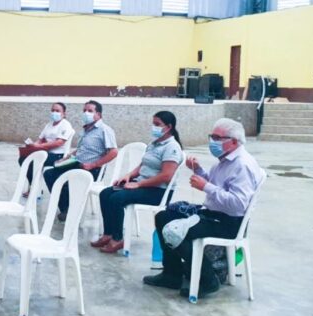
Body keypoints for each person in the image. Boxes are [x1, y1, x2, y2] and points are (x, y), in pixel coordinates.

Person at [143, 117, 264, 298]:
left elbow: (238, 203)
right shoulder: (224, 159)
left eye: (217, 138)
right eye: (212, 136)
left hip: (229, 222)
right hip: (213, 214)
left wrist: (205, 187)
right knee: (163, 217)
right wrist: (198, 170)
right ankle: (172, 274)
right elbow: (216, 184)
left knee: (176, 231)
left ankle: (208, 279)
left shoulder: (242, 165)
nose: (212, 142)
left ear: (233, 141)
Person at [92, 111, 183, 254]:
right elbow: (142, 166)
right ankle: (108, 234)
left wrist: (138, 184)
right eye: (153, 124)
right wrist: (128, 176)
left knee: (117, 198)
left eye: (157, 124)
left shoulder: (172, 147)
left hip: (158, 191)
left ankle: (118, 239)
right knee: (105, 193)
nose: (154, 127)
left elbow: (166, 176)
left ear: (169, 127)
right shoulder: (153, 144)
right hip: (143, 185)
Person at [43, 100, 118, 221]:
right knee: (49, 174)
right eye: (84, 110)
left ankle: (71, 209)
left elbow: (113, 152)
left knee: (66, 180)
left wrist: (93, 165)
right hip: (77, 163)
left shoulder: (105, 130)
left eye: (90, 111)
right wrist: (68, 157)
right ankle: (66, 208)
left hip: (92, 169)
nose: (86, 113)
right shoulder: (86, 129)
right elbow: (82, 149)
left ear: (98, 114)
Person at [17, 102, 74, 193]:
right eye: (53, 110)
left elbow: (59, 142)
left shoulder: (65, 125)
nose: (54, 113)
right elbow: (40, 139)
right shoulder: (49, 124)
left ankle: (35, 189)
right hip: (45, 152)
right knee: (23, 159)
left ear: (64, 113)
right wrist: (33, 145)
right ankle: (34, 186)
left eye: (57, 111)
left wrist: (39, 146)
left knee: (33, 161)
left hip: (57, 155)